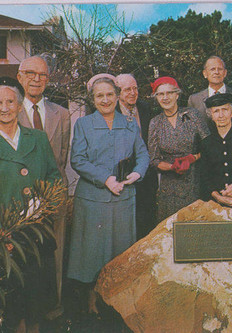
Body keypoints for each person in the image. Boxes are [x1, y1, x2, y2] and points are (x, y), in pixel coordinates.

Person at [0, 76, 62, 333]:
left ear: (20, 106)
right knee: (10, 312)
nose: (4, 108)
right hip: (3, 243)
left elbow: (54, 178)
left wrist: (44, 206)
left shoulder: (38, 140)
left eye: (10, 101)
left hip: (37, 237)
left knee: (37, 309)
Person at [0, 56, 70, 307]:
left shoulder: (62, 114)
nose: (36, 79)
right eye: (30, 73)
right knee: (17, 267)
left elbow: (60, 161)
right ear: (19, 76)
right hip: (12, 206)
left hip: (50, 203)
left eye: (42, 74)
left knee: (53, 258)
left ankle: (53, 310)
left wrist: (52, 198)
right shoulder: (4, 107)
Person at [67, 74, 149, 312]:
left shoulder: (131, 124)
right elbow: (77, 159)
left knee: (119, 251)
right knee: (92, 251)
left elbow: (142, 154)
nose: (105, 100)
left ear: (118, 96)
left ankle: (116, 300)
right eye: (99, 96)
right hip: (92, 199)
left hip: (124, 197)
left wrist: (137, 173)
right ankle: (91, 300)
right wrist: (106, 179)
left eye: (110, 94)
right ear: (93, 99)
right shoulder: (83, 124)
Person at [148, 76, 209, 222]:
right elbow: (154, 159)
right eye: (160, 94)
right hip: (169, 187)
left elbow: (209, 145)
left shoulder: (192, 115)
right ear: (156, 97)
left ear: (177, 95)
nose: (165, 97)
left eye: (169, 93)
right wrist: (172, 166)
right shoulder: (155, 122)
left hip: (195, 181)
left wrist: (192, 158)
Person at [115, 73, 158, 239]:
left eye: (135, 88)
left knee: (145, 221)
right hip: (122, 175)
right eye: (127, 90)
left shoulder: (145, 107)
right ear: (118, 93)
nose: (133, 93)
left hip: (146, 175)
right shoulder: (111, 111)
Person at [188, 55, 232, 123]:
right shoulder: (194, 100)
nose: (216, 72)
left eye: (220, 69)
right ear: (205, 73)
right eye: (212, 69)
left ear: (225, 73)